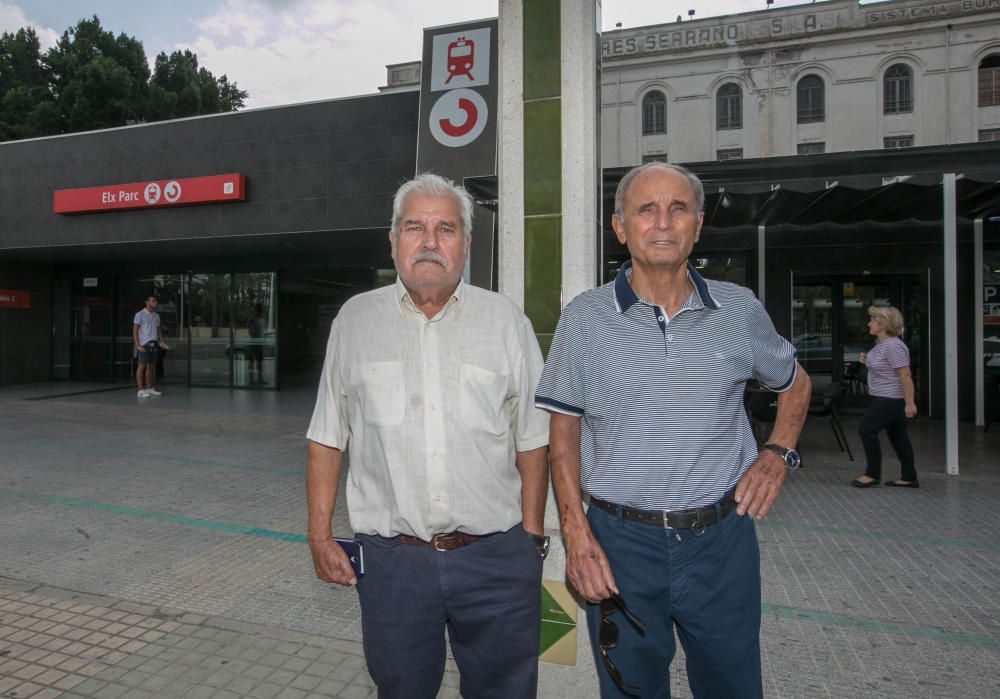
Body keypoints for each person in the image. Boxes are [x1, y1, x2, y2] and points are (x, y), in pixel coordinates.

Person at [536, 162, 812, 699]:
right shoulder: (585, 317)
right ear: (620, 228)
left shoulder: (738, 308)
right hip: (620, 543)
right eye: (646, 209)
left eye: (677, 208)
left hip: (721, 543)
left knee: (733, 687)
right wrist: (576, 535)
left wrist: (778, 452)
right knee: (629, 690)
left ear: (698, 225)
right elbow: (562, 433)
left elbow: (796, 383)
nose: (662, 222)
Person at [305, 173, 550, 699]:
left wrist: (530, 539)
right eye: (415, 227)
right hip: (394, 564)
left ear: (466, 242)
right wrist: (320, 535)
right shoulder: (355, 321)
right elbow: (327, 435)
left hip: (496, 561)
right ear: (392, 240)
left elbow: (533, 438)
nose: (430, 242)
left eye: (446, 228)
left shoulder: (506, 322)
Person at [850, 306, 918, 488]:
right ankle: (909, 477)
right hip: (886, 397)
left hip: (889, 398)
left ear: (883, 324)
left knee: (866, 430)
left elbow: (905, 374)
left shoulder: (894, 346)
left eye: (872, 320)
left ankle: (872, 474)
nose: (869, 323)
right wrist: (866, 359)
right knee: (898, 437)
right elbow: (885, 367)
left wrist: (909, 402)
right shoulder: (882, 344)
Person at [132, 295, 167, 398]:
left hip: (154, 343)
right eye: (153, 301)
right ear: (147, 302)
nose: (155, 302)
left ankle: (149, 388)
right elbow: (135, 331)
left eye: (156, 301)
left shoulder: (156, 315)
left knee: (151, 366)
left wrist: (161, 341)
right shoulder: (140, 314)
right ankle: (140, 390)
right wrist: (138, 345)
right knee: (142, 366)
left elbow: (158, 330)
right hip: (143, 344)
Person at [247, 304, 266, 385]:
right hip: (254, 343)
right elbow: (251, 332)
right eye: (262, 309)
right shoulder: (253, 319)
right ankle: (253, 379)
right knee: (253, 361)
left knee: (258, 361)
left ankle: (258, 379)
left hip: (258, 342)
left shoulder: (260, 319)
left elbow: (260, 332)